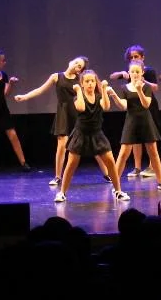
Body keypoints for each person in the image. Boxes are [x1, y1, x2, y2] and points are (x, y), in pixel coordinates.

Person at [15, 55, 108, 185]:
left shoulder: (80, 80)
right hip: (63, 113)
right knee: (62, 144)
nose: (76, 66)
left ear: (80, 71)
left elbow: (92, 91)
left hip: (78, 112)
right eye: (76, 62)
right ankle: (58, 176)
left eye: (79, 66)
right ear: (70, 61)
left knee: (92, 142)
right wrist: (25, 97)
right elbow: (40, 90)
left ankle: (107, 174)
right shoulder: (56, 77)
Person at [53, 70, 128, 203]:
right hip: (80, 134)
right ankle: (62, 193)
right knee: (71, 164)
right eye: (87, 81)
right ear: (82, 83)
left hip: (96, 134)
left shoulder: (99, 96)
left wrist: (104, 89)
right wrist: (78, 91)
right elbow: (81, 108)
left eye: (92, 81)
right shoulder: (78, 97)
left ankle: (118, 191)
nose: (90, 84)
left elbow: (106, 106)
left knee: (110, 162)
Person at [106, 60, 161, 191]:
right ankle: (116, 185)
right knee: (123, 153)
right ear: (129, 73)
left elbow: (146, 104)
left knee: (153, 152)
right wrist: (113, 95)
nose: (135, 74)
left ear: (142, 72)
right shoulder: (124, 88)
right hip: (131, 121)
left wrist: (139, 90)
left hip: (146, 121)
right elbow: (123, 106)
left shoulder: (146, 87)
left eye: (137, 71)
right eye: (132, 71)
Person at [109, 44, 161, 178]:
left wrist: (143, 82)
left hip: (148, 107)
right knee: (135, 140)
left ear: (142, 57)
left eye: (136, 56)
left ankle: (152, 168)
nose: (133, 59)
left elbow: (155, 88)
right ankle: (137, 167)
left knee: (150, 140)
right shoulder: (131, 71)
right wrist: (122, 74)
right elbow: (112, 76)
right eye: (131, 57)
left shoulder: (148, 71)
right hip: (133, 109)